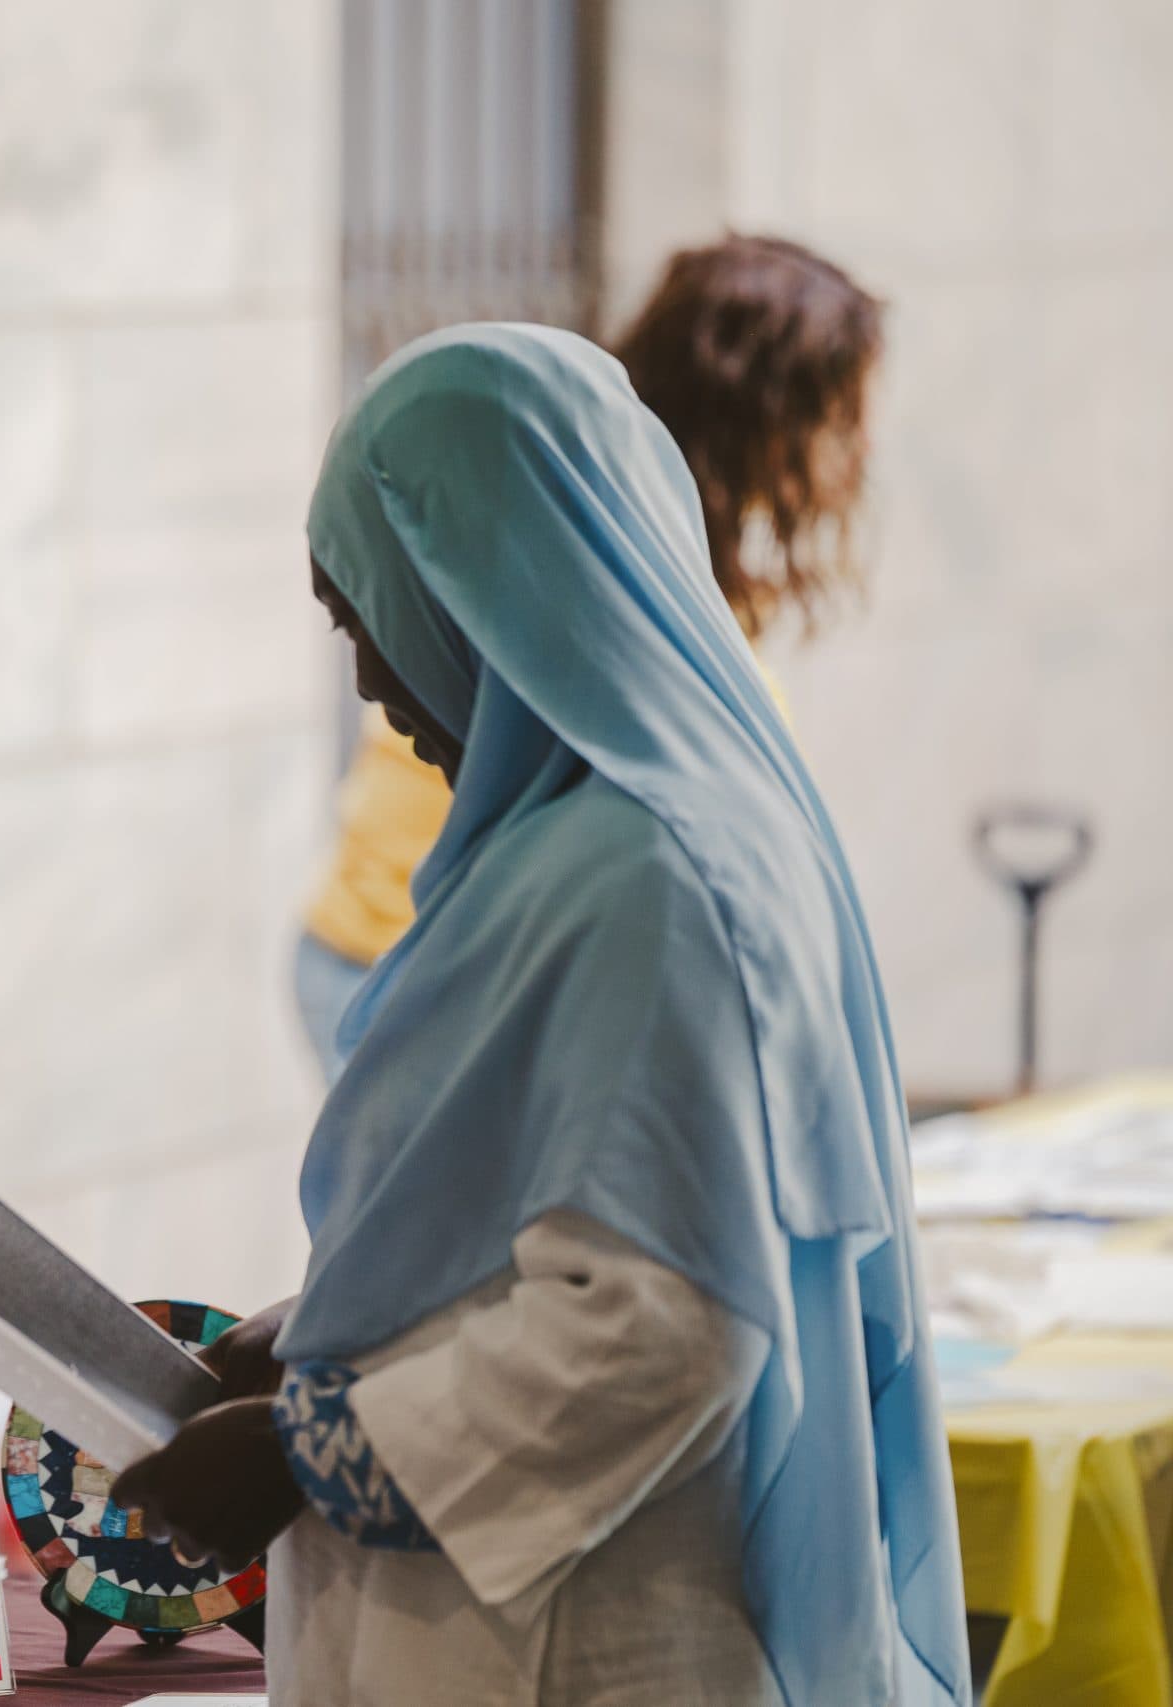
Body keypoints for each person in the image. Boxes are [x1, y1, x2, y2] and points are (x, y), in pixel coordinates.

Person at [110, 325, 964, 1704]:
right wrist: (335, 1321)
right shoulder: (605, 838)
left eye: (366, 615)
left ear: (481, 588)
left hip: (578, 1641)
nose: (377, 693)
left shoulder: (651, 872)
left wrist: (312, 1446)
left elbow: (662, 1322)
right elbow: (543, 1209)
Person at [295, 234, 883, 1078]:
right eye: (842, 414)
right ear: (774, 407)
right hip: (409, 956)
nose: (857, 453)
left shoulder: (620, 524)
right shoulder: (597, 538)